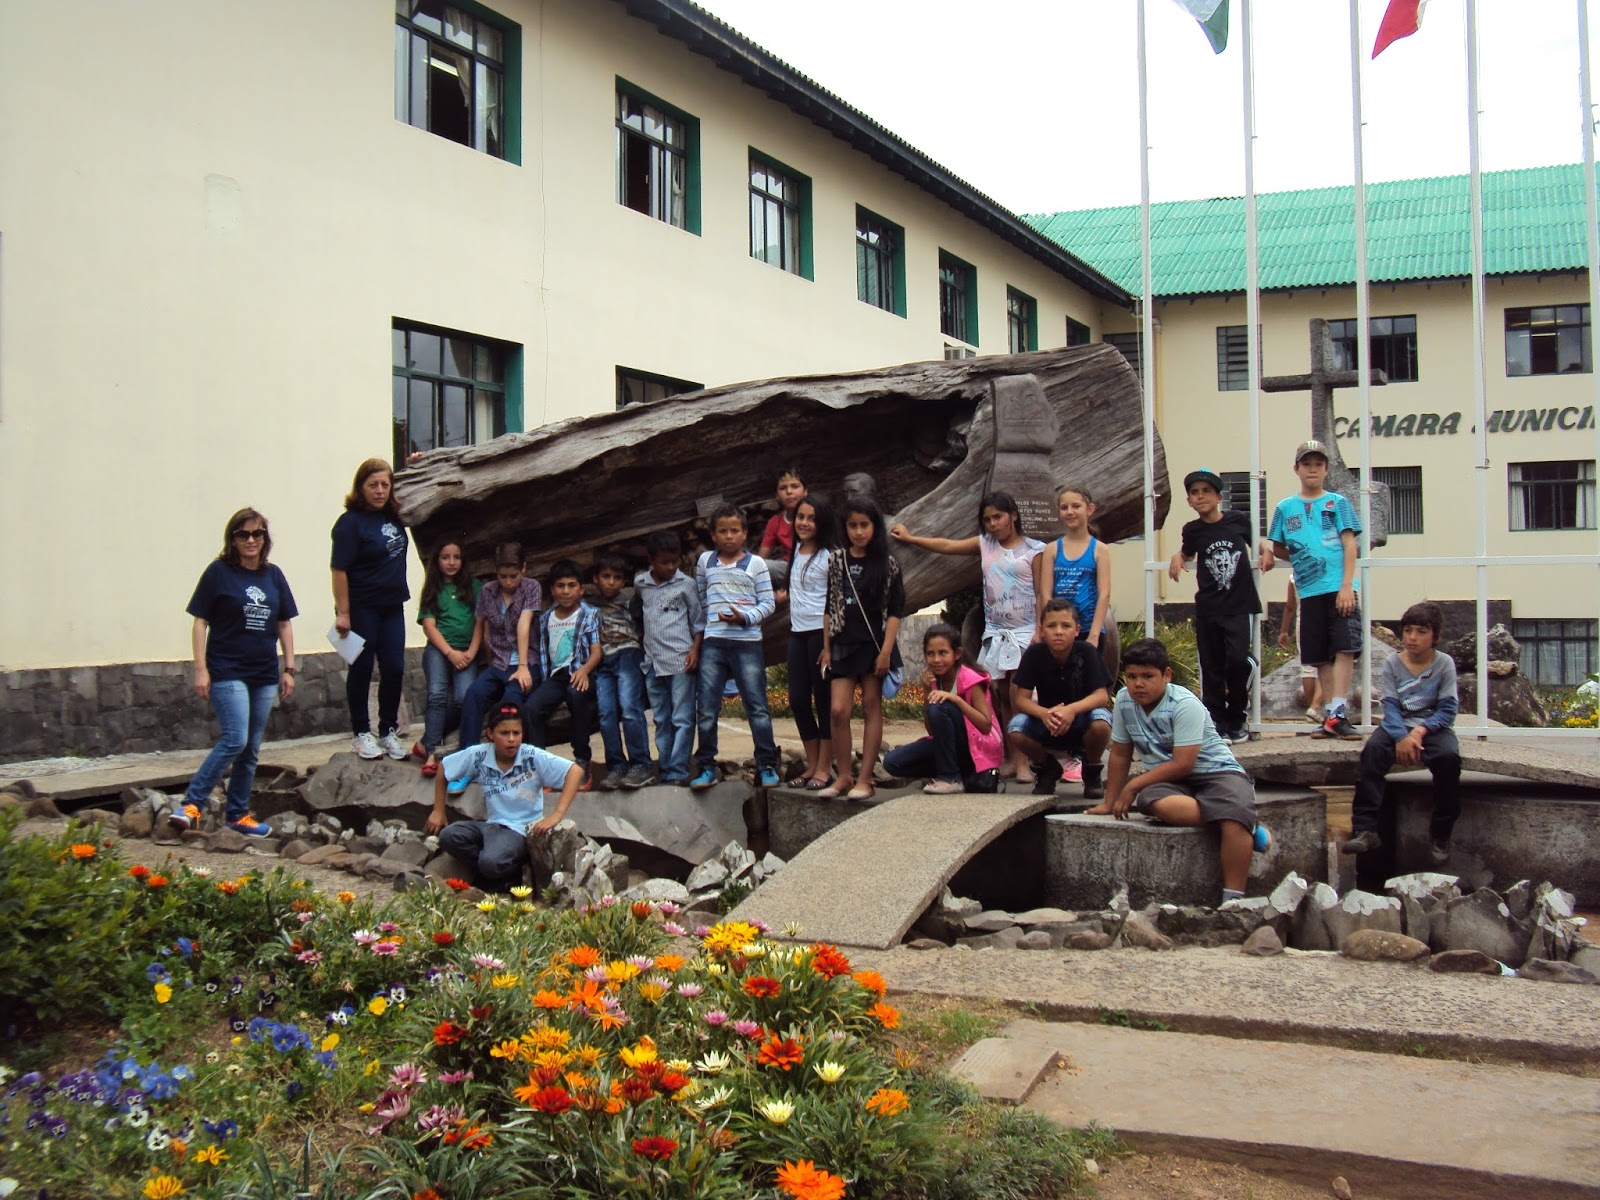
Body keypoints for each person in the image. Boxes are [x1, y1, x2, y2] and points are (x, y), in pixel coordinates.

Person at [1101, 638, 1272, 905]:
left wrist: (1133, 785)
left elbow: (1184, 763)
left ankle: (1233, 900)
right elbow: (1121, 753)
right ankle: (1242, 819)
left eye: (1147, 676)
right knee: (1152, 801)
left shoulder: (1183, 703)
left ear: (1166, 675)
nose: (1138, 684)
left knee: (1233, 817)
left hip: (1216, 771)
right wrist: (1109, 802)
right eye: (1132, 676)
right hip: (1169, 780)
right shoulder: (1123, 700)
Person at [892, 490, 1044, 782]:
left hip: (1025, 632)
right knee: (1002, 697)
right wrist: (912, 539)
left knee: (1020, 695)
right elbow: (948, 545)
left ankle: (1025, 762)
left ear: (1013, 516)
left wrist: (1040, 630)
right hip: (997, 632)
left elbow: (1041, 591)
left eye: (998, 517)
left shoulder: (1035, 549)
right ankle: (1011, 758)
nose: (993, 524)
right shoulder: (985, 544)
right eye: (987, 519)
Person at [172, 508, 298, 837]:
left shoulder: (273, 576)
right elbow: (200, 621)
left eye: (257, 533)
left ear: (265, 538)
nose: (251, 540)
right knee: (235, 739)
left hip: (264, 674)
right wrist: (201, 669)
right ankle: (191, 805)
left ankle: (238, 815)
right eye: (243, 534)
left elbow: (284, 623)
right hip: (227, 670)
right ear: (233, 539)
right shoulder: (219, 573)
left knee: (251, 747)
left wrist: (289, 668)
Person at [1342, 601, 1461, 866]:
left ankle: (1441, 833)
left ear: (1435, 636)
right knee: (1373, 752)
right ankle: (1364, 828)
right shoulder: (1393, 663)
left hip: (1432, 727)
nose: (1412, 637)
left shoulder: (1444, 664)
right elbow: (1391, 706)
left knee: (1448, 759)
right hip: (1397, 726)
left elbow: (1447, 709)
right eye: (1408, 631)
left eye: (1421, 631)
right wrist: (1401, 737)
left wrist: (1419, 732)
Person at [425, 703, 583, 891]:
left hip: (520, 830)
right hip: (491, 825)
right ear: (490, 734)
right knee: (448, 836)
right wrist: (438, 810)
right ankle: (492, 868)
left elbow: (575, 771)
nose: (511, 739)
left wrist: (557, 814)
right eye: (504, 733)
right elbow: (444, 767)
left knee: (491, 861)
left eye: (516, 733)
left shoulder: (531, 756)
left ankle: (511, 871)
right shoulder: (480, 754)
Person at [1167, 468, 1274, 743]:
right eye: (1194, 493)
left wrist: (1267, 551)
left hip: (1239, 604)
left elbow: (1258, 543)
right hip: (1208, 607)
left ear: (1218, 497)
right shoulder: (1192, 530)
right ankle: (1216, 721)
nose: (1200, 496)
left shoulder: (1238, 520)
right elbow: (1187, 552)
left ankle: (1237, 716)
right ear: (1189, 501)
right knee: (1211, 666)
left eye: (1206, 491)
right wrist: (1178, 556)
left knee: (1238, 662)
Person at [1268, 440, 1363, 739]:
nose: (1312, 469)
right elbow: (1278, 547)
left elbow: (1350, 544)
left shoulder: (1338, 502)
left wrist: (1347, 585)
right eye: (1306, 464)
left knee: (1345, 648)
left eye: (1318, 464)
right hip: (1308, 591)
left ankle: (1338, 712)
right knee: (1319, 655)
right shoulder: (1285, 508)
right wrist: (1297, 556)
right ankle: (1331, 718)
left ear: (1326, 469)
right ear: (1296, 468)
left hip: (1339, 587)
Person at [819, 494, 904, 801]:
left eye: (864, 525)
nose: (858, 531)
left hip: (874, 645)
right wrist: (826, 647)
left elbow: (895, 611)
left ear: (874, 526)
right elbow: (829, 606)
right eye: (852, 525)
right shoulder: (836, 560)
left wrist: (886, 651)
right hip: (842, 642)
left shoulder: (888, 564)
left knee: (871, 706)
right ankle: (844, 776)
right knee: (838, 710)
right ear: (845, 527)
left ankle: (865, 778)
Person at [691, 507, 781, 790]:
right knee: (707, 708)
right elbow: (702, 599)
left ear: (744, 533)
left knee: (757, 707)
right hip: (714, 643)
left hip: (747, 644)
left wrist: (745, 617)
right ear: (713, 535)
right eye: (723, 531)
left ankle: (766, 765)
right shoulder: (705, 561)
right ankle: (706, 767)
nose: (729, 536)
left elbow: (767, 603)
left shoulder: (756, 564)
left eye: (734, 531)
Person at [1035, 482, 1116, 779]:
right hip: (1057, 631)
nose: (1070, 512)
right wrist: (1043, 629)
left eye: (1076, 506)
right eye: (1064, 507)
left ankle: (1083, 754)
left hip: (1087, 632)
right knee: (1057, 689)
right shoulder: (1052, 549)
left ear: (1089, 509)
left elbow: (1104, 593)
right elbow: (1045, 593)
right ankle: (1059, 750)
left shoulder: (1100, 550)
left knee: (1084, 691)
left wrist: (1093, 634)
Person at [331, 458, 410, 760]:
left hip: (393, 606)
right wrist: (343, 612)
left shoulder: (394, 516)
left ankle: (388, 731)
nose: (379, 490)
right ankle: (361, 733)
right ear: (361, 488)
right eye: (373, 485)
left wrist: (415, 461)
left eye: (384, 485)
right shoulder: (350, 523)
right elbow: (339, 570)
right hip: (363, 606)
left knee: (394, 667)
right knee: (362, 668)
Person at [1008, 600, 1114, 800]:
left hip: (1081, 720)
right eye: (1051, 626)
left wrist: (1071, 710)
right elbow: (1021, 699)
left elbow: (1101, 695)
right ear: (1041, 631)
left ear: (1077, 630)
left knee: (1101, 720)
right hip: (1048, 721)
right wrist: (1044, 713)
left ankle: (1092, 770)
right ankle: (1047, 768)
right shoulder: (1034, 654)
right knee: (1016, 728)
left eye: (1066, 626)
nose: (1058, 632)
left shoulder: (1087, 652)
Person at [884, 623, 1001, 794]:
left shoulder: (970, 679)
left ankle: (950, 777)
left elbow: (985, 725)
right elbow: (932, 730)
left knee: (940, 706)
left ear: (957, 654)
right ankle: (951, 772)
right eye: (930, 654)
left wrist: (956, 700)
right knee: (892, 762)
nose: (936, 660)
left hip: (976, 745)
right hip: (949, 746)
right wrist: (926, 691)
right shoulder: (933, 680)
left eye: (943, 653)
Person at [457, 543, 543, 769]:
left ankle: (511, 763)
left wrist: (522, 666)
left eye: (513, 576)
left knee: (511, 701)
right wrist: (479, 657)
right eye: (502, 576)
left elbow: (524, 624)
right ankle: (467, 761)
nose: (508, 582)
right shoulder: (488, 591)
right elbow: (482, 625)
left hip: (526, 662)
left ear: (523, 568)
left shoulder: (531, 587)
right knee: (474, 694)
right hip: (499, 663)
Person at [633, 531, 704, 787]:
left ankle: (677, 769)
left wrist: (695, 650)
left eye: (675, 561)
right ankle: (665, 765)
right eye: (664, 562)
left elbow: (698, 622)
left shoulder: (686, 584)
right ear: (651, 560)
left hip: (681, 660)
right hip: (652, 662)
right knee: (661, 718)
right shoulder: (641, 584)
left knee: (682, 718)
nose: (671, 567)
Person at [523, 559, 600, 784]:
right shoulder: (547, 617)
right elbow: (545, 652)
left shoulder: (589, 614)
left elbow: (597, 651)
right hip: (556, 676)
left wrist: (585, 670)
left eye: (571, 585)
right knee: (531, 708)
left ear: (581, 589)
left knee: (576, 696)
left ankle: (582, 760)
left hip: (580, 672)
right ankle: (540, 765)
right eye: (560, 586)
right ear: (552, 590)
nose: (566, 591)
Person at [413, 541, 483, 776]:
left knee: (464, 698)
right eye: (445, 557)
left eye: (456, 557)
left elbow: (480, 622)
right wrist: (450, 653)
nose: (451, 562)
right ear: (437, 560)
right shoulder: (432, 588)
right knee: (437, 695)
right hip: (439, 650)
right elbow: (429, 626)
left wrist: (471, 651)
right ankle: (432, 753)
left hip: (467, 651)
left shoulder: (474, 587)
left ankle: (425, 741)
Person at [787, 494, 838, 788]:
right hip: (797, 633)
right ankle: (813, 763)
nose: (804, 523)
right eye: (800, 517)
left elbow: (835, 602)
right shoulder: (795, 549)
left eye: (811, 519)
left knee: (824, 700)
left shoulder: (830, 555)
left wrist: (829, 645)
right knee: (797, 700)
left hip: (821, 635)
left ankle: (824, 768)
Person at [591, 552, 653, 790]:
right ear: (595, 578)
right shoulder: (589, 606)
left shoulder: (629, 600)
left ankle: (641, 764)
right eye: (606, 576)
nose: (611, 582)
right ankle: (616, 766)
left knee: (629, 707)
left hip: (628, 654)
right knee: (606, 713)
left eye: (617, 578)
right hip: (603, 660)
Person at [1278, 579, 1325, 723]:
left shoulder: (1294, 577)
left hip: (1303, 621)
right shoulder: (1324, 571)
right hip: (1324, 619)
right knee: (1328, 664)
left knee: (1307, 667)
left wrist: (1284, 631)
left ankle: (1311, 709)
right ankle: (1315, 706)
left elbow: (1289, 606)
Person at [756, 467, 807, 600]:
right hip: (787, 569)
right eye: (783, 488)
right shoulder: (775, 522)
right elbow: (761, 559)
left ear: (805, 492)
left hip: (812, 569)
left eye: (795, 486)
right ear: (777, 496)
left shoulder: (814, 517)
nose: (789, 492)